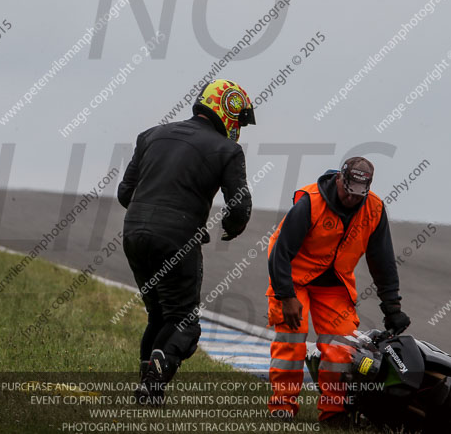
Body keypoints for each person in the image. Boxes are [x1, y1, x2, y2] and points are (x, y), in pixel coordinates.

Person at [117, 79, 256, 404]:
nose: (239, 128)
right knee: (186, 324)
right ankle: (154, 381)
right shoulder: (228, 150)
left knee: (160, 315)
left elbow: (125, 192)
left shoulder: (150, 134)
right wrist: (230, 227)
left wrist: (148, 216)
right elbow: (239, 206)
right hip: (177, 238)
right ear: (227, 110)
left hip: (133, 234)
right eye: (240, 120)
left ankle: (148, 389)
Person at [265, 157, 410, 425]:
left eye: (358, 195)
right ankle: (282, 406)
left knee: (342, 347)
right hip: (293, 279)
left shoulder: (374, 210)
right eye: (347, 191)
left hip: (334, 286)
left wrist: (393, 308)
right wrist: (286, 296)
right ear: (339, 179)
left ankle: (333, 413)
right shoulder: (310, 202)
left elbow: (382, 262)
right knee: (291, 338)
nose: (351, 199)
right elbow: (279, 253)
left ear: (366, 190)